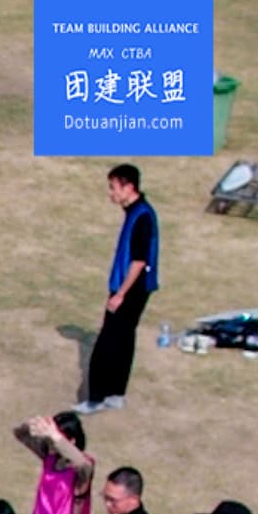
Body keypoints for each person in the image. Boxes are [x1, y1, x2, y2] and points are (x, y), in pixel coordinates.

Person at [85, 163, 156, 411]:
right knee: (124, 339)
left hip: (131, 288)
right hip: (135, 286)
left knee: (108, 341)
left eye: (113, 187)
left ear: (128, 187)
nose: (111, 193)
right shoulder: (136, 211)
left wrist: (120, 294)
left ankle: (96, 398)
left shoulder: (142, 217)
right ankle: (116, 393)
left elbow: (139, 261)